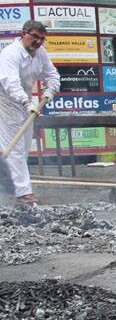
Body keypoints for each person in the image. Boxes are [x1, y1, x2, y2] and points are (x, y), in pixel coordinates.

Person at [0, 20, 60, 204]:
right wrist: (26, 102)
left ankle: (12, 184)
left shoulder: (40, 53)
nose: (38, 42)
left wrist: (50, 91)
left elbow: (52, 74)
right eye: (35, 37)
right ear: (23, 34)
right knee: (15, 147)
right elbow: (10, 82)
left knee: (24, 146)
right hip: (5, 99)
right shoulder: (11, 53)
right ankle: (23, 194)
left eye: (42, 39)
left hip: (24, 100)